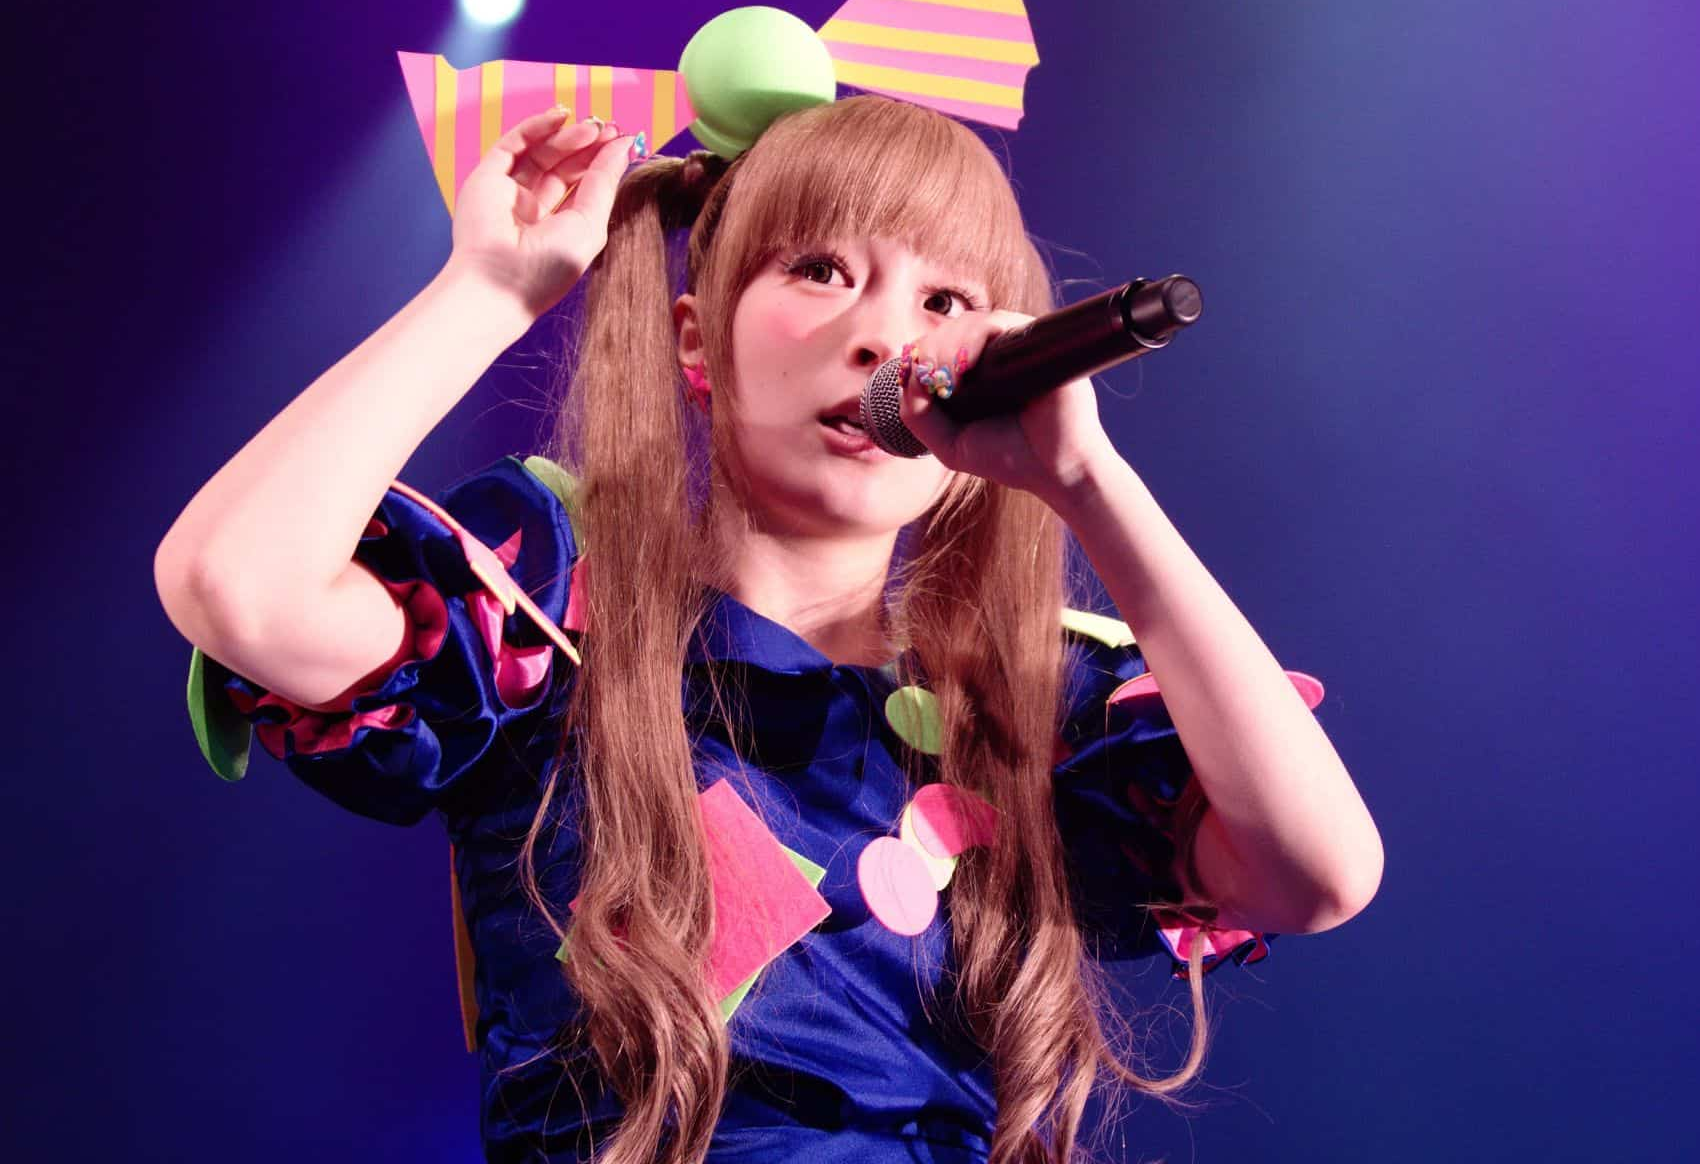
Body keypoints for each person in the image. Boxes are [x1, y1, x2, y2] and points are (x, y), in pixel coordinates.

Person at [155, 93, 1384, 1164]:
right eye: (821, 271)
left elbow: (1320, 872)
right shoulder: (554, 616)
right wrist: (488, 288)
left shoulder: (1019, 706)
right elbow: (239, 586)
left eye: (944, 298)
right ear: (698, 340)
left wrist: (1087, 478)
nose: (881, 335)